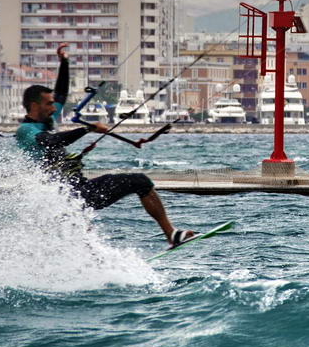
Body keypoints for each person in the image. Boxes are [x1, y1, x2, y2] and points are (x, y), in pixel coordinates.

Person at [16, 43, 194, 247]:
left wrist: (64, 62)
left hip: (79, 189)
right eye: (48, 104)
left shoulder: (48, 118)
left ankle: (171, 234)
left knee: (141, 182)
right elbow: (50, 141)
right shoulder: (26, 131)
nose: (54, 107)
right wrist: (87, 129)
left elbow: (61, 94)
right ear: (33, 106)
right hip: (63, 195)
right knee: (86, 239)